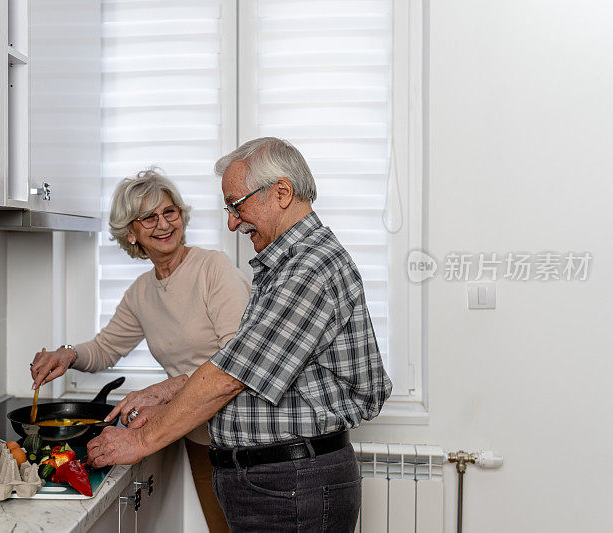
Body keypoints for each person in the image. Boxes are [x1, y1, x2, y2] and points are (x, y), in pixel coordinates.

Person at [87, 138, 392, 533]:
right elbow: (246, 370)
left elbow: (230, 376)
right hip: (278, 481)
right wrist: (162, 401)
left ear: (281, 192)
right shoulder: (286, 266)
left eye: (237, 204)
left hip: (292, 483)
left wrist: (141, 440)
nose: (232, 221)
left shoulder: (307, 269)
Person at [30, 168, 249, 533]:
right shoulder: (142, 292)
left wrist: (163, 391)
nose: (164, 224)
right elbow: (105, 348)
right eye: (149, 217)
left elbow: (239, 358)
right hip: (198, 436)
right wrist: (66, 354)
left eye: (170, 212)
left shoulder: (213, 269)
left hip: (245, 438)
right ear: (131, 233)